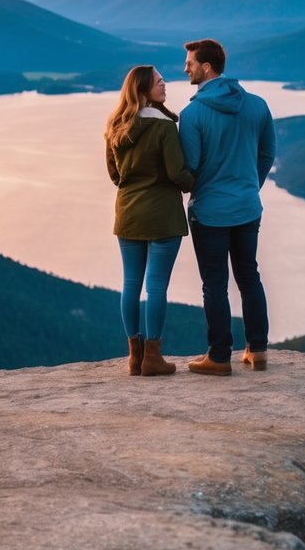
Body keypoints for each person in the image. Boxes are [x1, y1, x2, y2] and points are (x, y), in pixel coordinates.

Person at [179, 38, 275, 376]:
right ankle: (258, 349)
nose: (185, 68)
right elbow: (266, 155)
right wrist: (249, 186)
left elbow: (190, 166)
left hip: (210, 211)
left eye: (190, 63)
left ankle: (220, 357)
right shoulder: (258, 105)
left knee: (215, 283)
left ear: (207, 67)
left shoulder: (192, 114)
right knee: (249, 276)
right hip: (248, 207)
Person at [105, 65, 194, 377]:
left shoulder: (116, 125)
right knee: (155, 286)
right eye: (159, 81)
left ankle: (134, 357)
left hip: (128, 213)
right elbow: (177, 175)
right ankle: (153, 357)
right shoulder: (165, 127)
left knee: (131, 283)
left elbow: (115, 175)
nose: (164, 84)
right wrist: (198, 181)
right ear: (143, 90)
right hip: (163, 216)